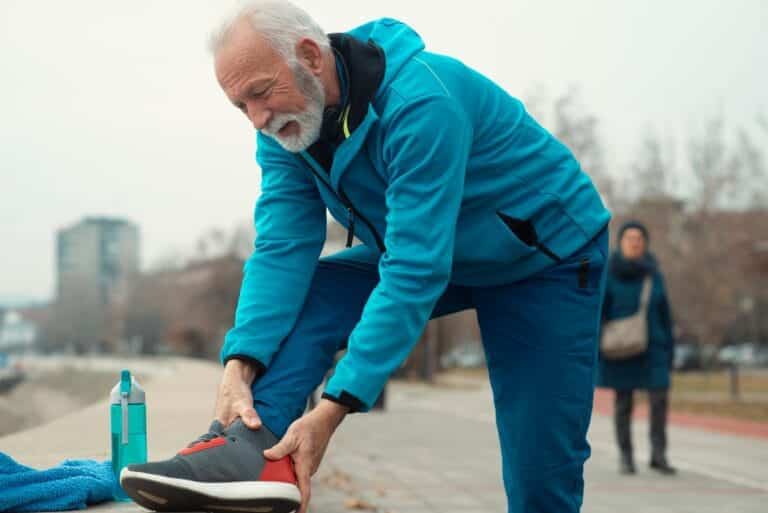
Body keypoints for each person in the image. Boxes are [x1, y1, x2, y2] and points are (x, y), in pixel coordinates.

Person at [120, 2, 611, 512]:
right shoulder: (285, 131)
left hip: (542, 258)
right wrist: (239, 363)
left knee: (538, 466)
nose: (258, 119)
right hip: (430, 252)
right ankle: (252, 451)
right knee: (309, 295)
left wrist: (334, 406)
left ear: (310, 57)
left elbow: (415, 269)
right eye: (240, 106)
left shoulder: (422, 101)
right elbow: (282, 248)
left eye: (261, 93)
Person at [597, 221, 676, 475]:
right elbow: (600, 313)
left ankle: (658, 455)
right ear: (620, 242)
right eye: (629, 238)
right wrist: (598, 345)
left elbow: (665, 312)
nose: (635, 242)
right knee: (623, 403)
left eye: (639, 238)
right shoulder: (609, 273)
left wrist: (669, 348)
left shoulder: (654, 273)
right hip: (622, 348)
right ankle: (626, 456)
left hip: (654, 346)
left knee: (659, 400)